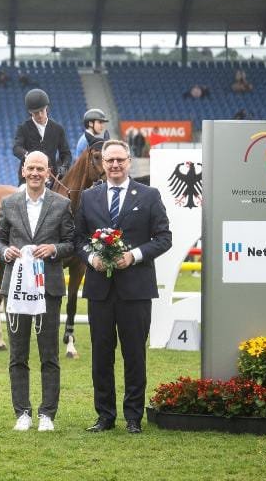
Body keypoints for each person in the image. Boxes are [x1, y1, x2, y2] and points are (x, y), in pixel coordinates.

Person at [74, 140, 171, 434]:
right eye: (109, 160)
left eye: (120, 160)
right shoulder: (89, 198)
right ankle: (105, 416)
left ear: (129, 161)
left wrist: (135, 255)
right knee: (101, 355)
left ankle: (133, 417)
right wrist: (91, 258)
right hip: (100, 290)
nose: (115, 165)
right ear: (102, 164)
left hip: (136, 289)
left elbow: (164, 237)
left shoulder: (150, 194)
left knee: (134, 355)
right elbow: (77, 239)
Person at [0, 151, 74, 432]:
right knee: (18, 354)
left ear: (49, 172)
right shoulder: (9, 202)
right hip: (15, 289)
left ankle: (47, 414)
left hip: (48, 288)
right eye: (31, 168)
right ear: (23, 171)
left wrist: (54, 249)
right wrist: (5, 252)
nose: (36, 173)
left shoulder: (62, 204)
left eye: (41, 168)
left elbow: (71, 243)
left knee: (49, 353)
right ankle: (22, 412)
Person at [13, 89, 72, 184]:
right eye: (36, 113)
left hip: (51, 177)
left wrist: (64, 167)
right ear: (30, 112)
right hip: (28, 178)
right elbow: (16, 148)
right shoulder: (23, 128)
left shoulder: (57, 129)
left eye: (42, 111)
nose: (40, 115)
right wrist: (28, 155)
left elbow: (66, 154)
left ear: (47, 108)